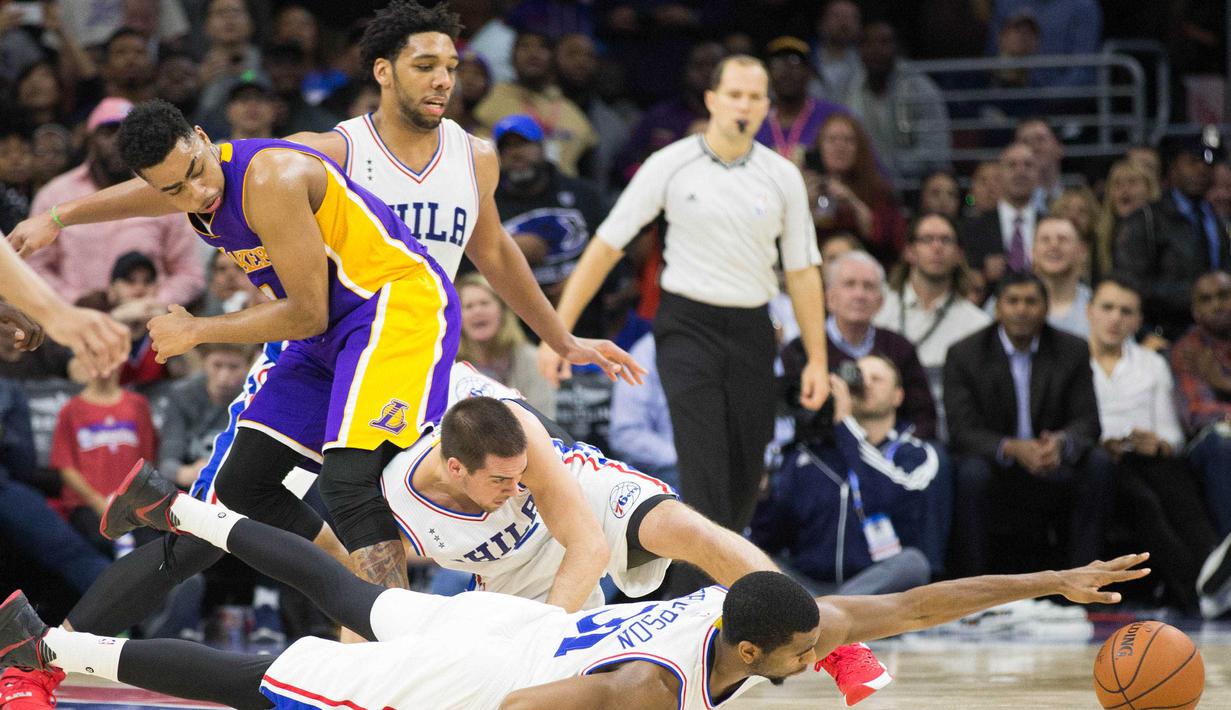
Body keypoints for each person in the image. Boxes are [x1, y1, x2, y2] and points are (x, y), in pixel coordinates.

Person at [0, 465, 1150, 710]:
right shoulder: (651, 693)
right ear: (750, 656)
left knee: (355, 598)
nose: (821, 657)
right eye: (808, 657)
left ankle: (188, 506)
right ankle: (56, 654)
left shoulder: (758, 611)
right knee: (282, 683)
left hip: (515, 626)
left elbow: (911, 601)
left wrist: (1059, 579)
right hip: (485, 675)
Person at [542, 54, 830, 539]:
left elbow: (802, 272)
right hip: (685, 326)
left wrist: (818, 360)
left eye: (755, 96)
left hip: (753, 327)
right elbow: (607, 246)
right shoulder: (671, 164)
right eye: (734, 94)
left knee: (746, 469)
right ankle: (707, 600)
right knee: (705, 468)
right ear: (712, 100)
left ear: (766, 106)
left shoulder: (781, 176)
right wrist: (560, 334)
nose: (744, 104)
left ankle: (711, 585)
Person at [944, 272, 1109, 577]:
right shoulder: (965, 353)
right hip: (997, 464)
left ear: (1045, 309)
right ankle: (974, 586)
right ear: (997, 309)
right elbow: (961, 431)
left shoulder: (1071, 349)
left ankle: (1087, 582)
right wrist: (1011, 448)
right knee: (970, 473)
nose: (1021, 310)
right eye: (1013, 301)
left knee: (1098, 463)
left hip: (1051, 461)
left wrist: (1060, 443)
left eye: (1031, 301)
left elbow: (1088, 421)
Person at [754, 356, 945, 594]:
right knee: (755, 562)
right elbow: (770, 538)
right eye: (858, 376)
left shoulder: (917, 453)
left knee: (914, 563)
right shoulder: (809, 457)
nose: (864, 384)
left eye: (876, 379)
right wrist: (762, 497)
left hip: (874, 585)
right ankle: (830, 614)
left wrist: (845, 424)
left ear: (898, 396)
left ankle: (832, 613)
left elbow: (889, 497)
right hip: (809, 586)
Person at [1086, 275, 1219, 614]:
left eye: (1126, 311)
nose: (1116, 318)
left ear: (1138, 320)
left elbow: (1173, 434)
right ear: (1090, 312)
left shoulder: (1152, 364)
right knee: (1144, 502)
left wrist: (1157, 443)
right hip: (1096, 461)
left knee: (1179, 489)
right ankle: (1196, 594)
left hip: (1147, 457)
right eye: (1108, 308)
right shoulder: (1072, 358)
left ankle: (1217, 571)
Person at [25, 98, 205, 307]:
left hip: (150, 325)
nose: (119, 141)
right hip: (76, 324)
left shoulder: (165, 191)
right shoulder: (55, 195)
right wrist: (75, 300)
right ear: (90, 140)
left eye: (127, 134)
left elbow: (189, 273)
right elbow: (34, 267)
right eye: (109, 132)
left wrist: (152, 303)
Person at [794, 251, 936, 439]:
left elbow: (923, 416)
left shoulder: (900, 348)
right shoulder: (801, 349)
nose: (859, 294)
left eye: (868, 286)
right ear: (829, 297)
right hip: (824, 452)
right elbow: (792, 417)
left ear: (881, 301)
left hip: (892, 454)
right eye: (849, 284)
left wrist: (897, 449)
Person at [875, 213, 990, 439]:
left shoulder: (978, 324)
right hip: (883, 428)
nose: (937, 247)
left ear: (959, 254)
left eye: (946, 240)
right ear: (909, 251)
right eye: (927, 239)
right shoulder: (878, 310)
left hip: (949, 435)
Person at [1114, 133, 1229, 341]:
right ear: (1173, 168)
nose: (1201, 169)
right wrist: (1198, 295)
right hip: (1164, 334)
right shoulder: (1147, 219)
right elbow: (1130, 283)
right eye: (1192, 162)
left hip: (1217, 338)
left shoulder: (1215, 218)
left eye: (1208, 163)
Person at [473, 29, 596, 177]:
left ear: (554, 58)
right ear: (512, 57)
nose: (533, 53)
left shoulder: (570, 110)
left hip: (562, 195)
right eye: (525, 46)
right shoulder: (488, 100)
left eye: (542, 47)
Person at [842, 22, 951, 185]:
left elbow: (935, 152)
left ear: (896, 49)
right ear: (860, 50)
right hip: (865, 185)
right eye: (868, 43)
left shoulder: (920, 89)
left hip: (916, 186)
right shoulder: (848, 91)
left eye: (884, 43)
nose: (876, 51)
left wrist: (885, 167)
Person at [806, 114, 907, 267]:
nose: (840, 146)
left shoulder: (877, 189)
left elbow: (891, 241)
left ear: (860, 148)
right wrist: (805, 203)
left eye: (848, 140)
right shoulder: (805, 186)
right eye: (832, 140)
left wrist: (852, 201)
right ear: (819, 147)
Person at [457, 273, 556, 417]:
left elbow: (545, 421)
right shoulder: (449, 365)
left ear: (503, 311)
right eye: (468, 306)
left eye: (484, 303)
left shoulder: (533, 360)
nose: (477, 311)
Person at [755, 36, 846, 168]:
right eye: (777, 64)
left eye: (795, 63)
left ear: (809, 72)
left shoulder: (834, 117)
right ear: (767, 75)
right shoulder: (754, 120)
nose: (787, 70)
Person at [959, 142, 1042, 283]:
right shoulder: (972, 227)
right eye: (1012, 165)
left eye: (1028, 165)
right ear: (1000, 174)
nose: (1020, 172)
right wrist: (983, 272)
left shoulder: (1049, 223)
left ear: (1038, 175)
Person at [608, 333, 678, 491]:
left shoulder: (738, 349)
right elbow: (626, 434)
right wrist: (686, 461)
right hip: (671, 469)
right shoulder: (649, 350)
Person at [1093, 160, 1159, 285]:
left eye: (1132, 183)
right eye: (1117, 185)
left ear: (1149, 189)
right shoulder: (1101, 235)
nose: (1124, 190)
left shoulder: (1164, 229)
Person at [1015, 118, 1064, 214]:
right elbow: (974, 200)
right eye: (1025, 142)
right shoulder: (1004, 203)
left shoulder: (1080, 197)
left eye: (1040, 139)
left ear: (1059, 148)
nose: (1034, 147)